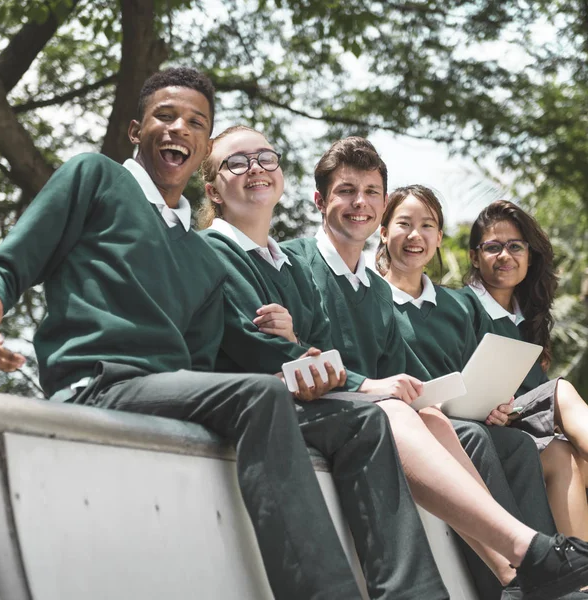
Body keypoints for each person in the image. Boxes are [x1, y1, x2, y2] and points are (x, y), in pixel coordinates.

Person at [0, 67, 402, 600]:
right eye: (165, 116)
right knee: (259, 395)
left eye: (195, 122)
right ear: (137, 130)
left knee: (361, 419)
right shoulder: (94, 177)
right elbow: (8, 263)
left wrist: (299, 377)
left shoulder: (201, 255)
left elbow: (204, 370)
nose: (178, 127)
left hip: (169, 395)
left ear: (204, 144)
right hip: (98, 383)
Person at [197, 125, 588, 600]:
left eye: (370, 193)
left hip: (350, 401)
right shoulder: (287, 262)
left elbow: (370, 361)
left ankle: (520, 574)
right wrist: (329, 363)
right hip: (295, 406)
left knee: (479, 432)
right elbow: (288, 354)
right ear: (319, 202)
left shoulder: (320, 275)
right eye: (346, 191)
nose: (360, 202)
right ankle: (520, 565)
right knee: (450, 429)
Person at [377, 183, 588, 597]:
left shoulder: (457, 307)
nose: (416, 235)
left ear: (440, 237)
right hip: (414, 419)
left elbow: (472, 374)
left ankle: (557, 575)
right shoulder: (373, 296)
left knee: (525, 446)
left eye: (428, 225)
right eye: (404, 224)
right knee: (531, 409)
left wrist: (494, 404)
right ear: (383, 232)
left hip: (468, 415)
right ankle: (512, 577)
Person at [455, 200, 588, 539]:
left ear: (529, 255)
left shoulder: (527, 320)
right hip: (484, 435)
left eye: (515, 246)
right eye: (493, 247)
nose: (505, 256)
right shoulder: (460, 307)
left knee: (567, 457)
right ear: (474, 256)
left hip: (529, 436)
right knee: (562, 391)